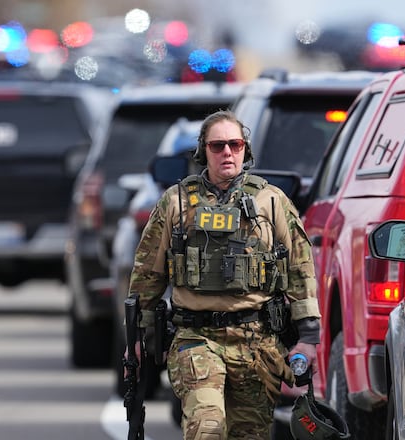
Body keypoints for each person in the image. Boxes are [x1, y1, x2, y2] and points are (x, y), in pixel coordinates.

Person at [126, 110, 321, 439]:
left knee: (249, 434)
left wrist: (308, 337)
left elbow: (300, 270)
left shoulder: (272, 202)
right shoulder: (176, 203)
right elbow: (147, 274)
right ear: (204, 151)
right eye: (218, 146)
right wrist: (137, 339)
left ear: (245, 149)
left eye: (235, 144)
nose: (227, 152)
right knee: (207, 426)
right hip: (197, 340)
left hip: (257, 344)